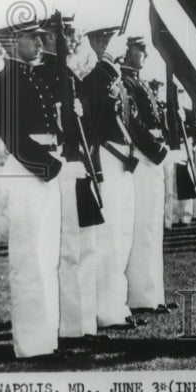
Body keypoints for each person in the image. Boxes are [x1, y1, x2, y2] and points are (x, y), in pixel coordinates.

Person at [0, 17, 86, 359]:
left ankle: (48, 340)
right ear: (12, 43)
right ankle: (31, 344)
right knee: (29, 260)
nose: (41, 44)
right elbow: (16, 140)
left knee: (48, 257)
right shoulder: (3, 83)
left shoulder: (32, 78)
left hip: (45, 169)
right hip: (28, 172)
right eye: (33, 39)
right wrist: (53, 167)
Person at [38, 13, 102, 345]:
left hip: (81, 164)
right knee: (70, 250)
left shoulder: (69, 73)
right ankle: (73, 327)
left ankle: (86, 323)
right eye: (67, 33)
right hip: (65, 164)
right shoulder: (42, 74)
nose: (74, 39)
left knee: (87, 246)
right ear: (51, 36)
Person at [81, 25, 138, 329]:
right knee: (111, 239)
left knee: (123, 236)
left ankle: (119, 303)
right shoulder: (95, 80)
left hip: (121, 159)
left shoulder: (111, 77)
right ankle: (107, 309)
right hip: (107, 158)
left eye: (111, 39)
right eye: (105, 39)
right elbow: (94, 124)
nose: (110, 44)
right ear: (95, 41)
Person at [120, 36, 171, 313]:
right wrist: (157, 151)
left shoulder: (137, 81)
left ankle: (153, 293)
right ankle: (142, 296)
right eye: (141, 50)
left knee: (152, 226)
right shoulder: (126, 83)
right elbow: (134, 123)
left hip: (153, 153)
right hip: (144, 155)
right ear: (128, 52)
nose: (146, 55)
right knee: (142, 227)